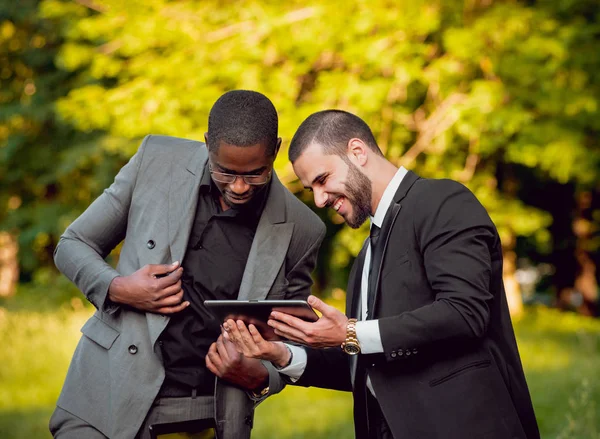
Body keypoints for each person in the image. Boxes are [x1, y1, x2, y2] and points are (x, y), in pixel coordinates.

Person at [224, 109, 541, 439]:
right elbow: (369, 364)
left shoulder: (442, 201)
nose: (318, 199)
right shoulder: (365, 256)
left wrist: (351, 333)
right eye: (310, 189)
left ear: (357, 152)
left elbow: (465, 313)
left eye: (322, 180)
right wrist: (283, 353)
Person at [49, 90, 325, 439]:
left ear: (275, 150)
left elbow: (290, 339)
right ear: (208, 144)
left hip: (207, 414)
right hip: (106, 393)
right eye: (225, 172)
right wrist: (120, 289)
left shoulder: (302, 228)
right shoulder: (155, 160)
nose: (239, 187)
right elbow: (73, 245)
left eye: (256, 174)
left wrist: (259, 376)